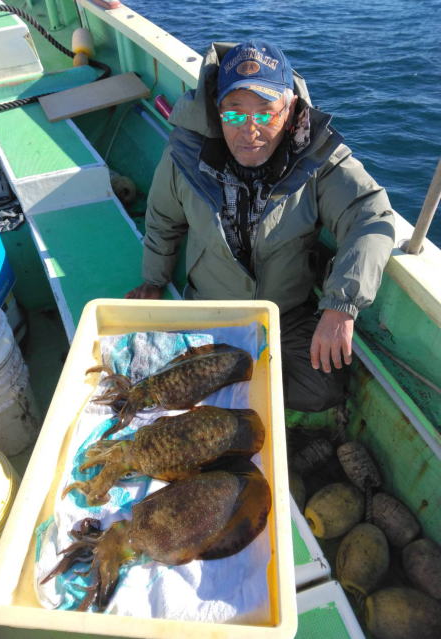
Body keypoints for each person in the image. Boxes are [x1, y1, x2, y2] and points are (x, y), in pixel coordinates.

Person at [126, 40, 395, 412]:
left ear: (290, 110)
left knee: (321, 391)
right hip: (209, 311)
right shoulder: (183, 156)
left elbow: (370, 214)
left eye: (266, 113)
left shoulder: (319, 158)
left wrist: (341, 304)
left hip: (286, 313)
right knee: (159, 389)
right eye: (235, 114)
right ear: (216, 110)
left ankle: (239, 390)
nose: (249, 130)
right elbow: (163, 220)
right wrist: (154, 281)